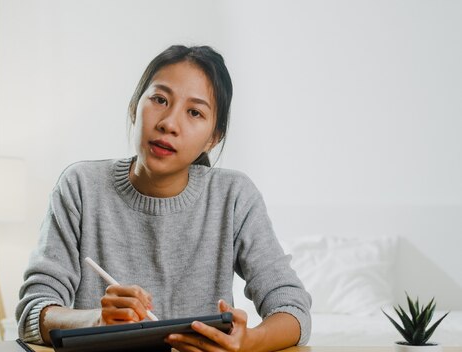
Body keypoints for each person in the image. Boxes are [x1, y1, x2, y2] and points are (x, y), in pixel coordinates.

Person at [16, 45, 311, 352]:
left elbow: (293, 310)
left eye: (194, 112)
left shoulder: (233, 196)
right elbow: (33, 312)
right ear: (134, 107)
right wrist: (96, 321)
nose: (169, 123)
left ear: (213, 137)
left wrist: (249, 341)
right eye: (159, 99)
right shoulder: (80, 186)